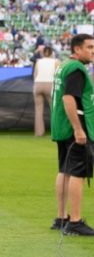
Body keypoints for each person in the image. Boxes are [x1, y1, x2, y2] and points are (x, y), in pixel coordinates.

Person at [50, 34, 94, 235]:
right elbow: (69, 98)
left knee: (64, 171)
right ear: (77, 49)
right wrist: (78, 128)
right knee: (77, 172)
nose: (93, 51)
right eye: (89, 47)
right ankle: (75, 221)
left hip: (61, 127)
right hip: (74, 128)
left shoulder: (63, 66)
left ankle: (61, 217)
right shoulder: (77, 68)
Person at [33, 46, 59, 137]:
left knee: (38, 110)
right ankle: (56, 131)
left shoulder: (38, 62)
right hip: (50, 84)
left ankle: (39, 132)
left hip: (38, 84)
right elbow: (58, 75)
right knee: (55, 109)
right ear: (52, 53)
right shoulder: (56, 62)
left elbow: (35, 75)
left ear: (42, 53)